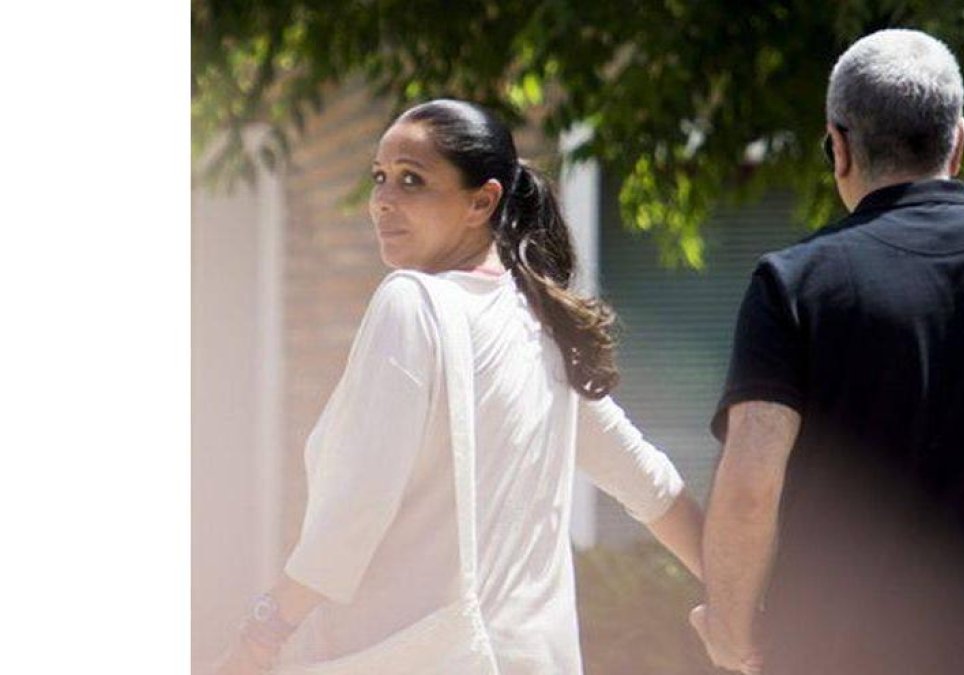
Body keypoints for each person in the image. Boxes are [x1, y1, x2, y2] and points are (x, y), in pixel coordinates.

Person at [213, 99, 705, 674]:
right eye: (380, 178)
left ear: (483, 201)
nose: (383, 202)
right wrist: (750, 603)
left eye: (412, 181)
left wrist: (264, 630)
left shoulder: (411, 303)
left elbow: (353, 513)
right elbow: (650, 484)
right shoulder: (539, 325)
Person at [691, 29, 964, 674]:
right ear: (960, 140)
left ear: (837, 146)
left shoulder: (793, 282)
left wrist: (729, 627)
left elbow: (751, 485)